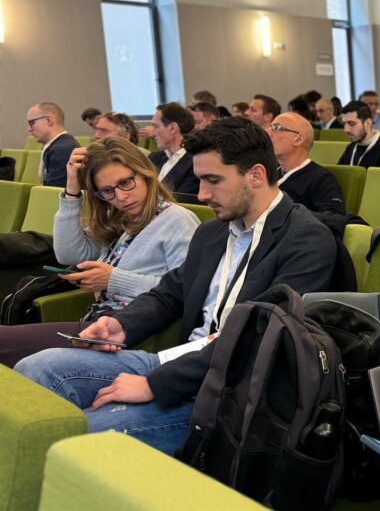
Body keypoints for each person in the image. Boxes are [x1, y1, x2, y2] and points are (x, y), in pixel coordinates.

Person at [15, 118, 336, 455]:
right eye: (200, 180)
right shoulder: (213, 232)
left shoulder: (306, 239)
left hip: (231, 391)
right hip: (180, 361)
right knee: (35, 367)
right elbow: (170, 293)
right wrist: (121, 325)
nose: (202, 194)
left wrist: (156, 385)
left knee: (81, 436)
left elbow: (260, 339)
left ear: (256, 175)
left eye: (213, 180)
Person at [0, 139, 199, 367]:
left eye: (125, 182)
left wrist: (112, 279)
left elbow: (186, 291)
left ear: (145, 173)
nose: (120, 197)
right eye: (107, 191)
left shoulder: (177, 220)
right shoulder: (124, 219)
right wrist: (72, 191)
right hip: (98, 322)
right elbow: (68, 254)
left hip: (129, 328)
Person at [266, 112, 346, 215]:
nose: (267, 132)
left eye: (277, 128)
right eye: (270, 127)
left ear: (298, 139)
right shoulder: (267, 173)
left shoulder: (321, 178)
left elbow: (334, 217)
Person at [148, 102, 200, 195]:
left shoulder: (195, 163)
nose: (152, 134)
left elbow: (181, 200)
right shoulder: (153, 158)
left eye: (156, 126)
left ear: (173, 128)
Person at [27, 101, 80, 187]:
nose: (29, 129)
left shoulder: (61, 150)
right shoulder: (60, 145)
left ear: (49, 120)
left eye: (32, 123)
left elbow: (54, 192)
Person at [338, 101, 380, 169]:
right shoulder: (350, 148)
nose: (346, 130)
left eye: (351, 124)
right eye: (344, 124)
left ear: (368, 123)